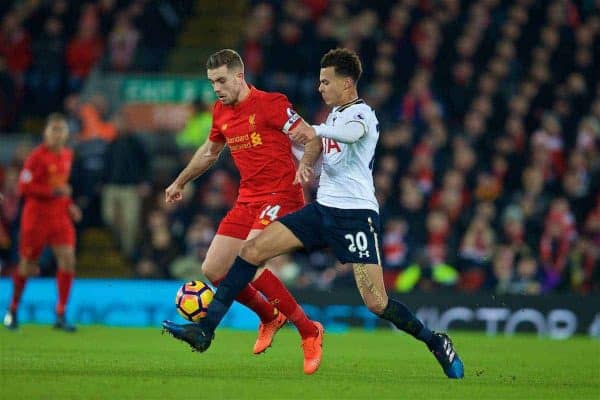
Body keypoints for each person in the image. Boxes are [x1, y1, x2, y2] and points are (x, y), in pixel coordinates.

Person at [162, 48, 465, 379]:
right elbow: (314, 151)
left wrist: (315, 133)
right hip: (322, 211)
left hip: (356, 216)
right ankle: (206, 330)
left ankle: (434, 341)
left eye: (326, 82)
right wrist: (304, 157)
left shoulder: (362, 115)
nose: (320, 88)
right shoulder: (331, 117)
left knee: (377, 303)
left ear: (346, 83)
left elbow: (348, 136)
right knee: (250, 252)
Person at [163, 49, 322, 369]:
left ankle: (309, 331)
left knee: (253, 256)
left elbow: (312, 138)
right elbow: (209, 152)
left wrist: (305, 164)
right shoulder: (220, 111)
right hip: (247, 199)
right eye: (211, 83)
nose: (217, 88)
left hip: (281, 194)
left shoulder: (271, 103)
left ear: (239, 76)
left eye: (221, 80)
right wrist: (180, 181)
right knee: (214, 269)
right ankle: (269, 316)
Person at [3, 113, 82, 331]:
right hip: (36, 219)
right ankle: (13, 308)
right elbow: (24, 187)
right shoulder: (36, 157)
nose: (57, 134)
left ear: (66, 133)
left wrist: (69, 205)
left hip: (59, 218)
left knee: (68, 260)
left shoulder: (67, 155)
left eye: (61, 129)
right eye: (53, 129)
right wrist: (52, 191)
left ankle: (61, 313)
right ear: (45, 133)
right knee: (27, 265)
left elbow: (62, 187)